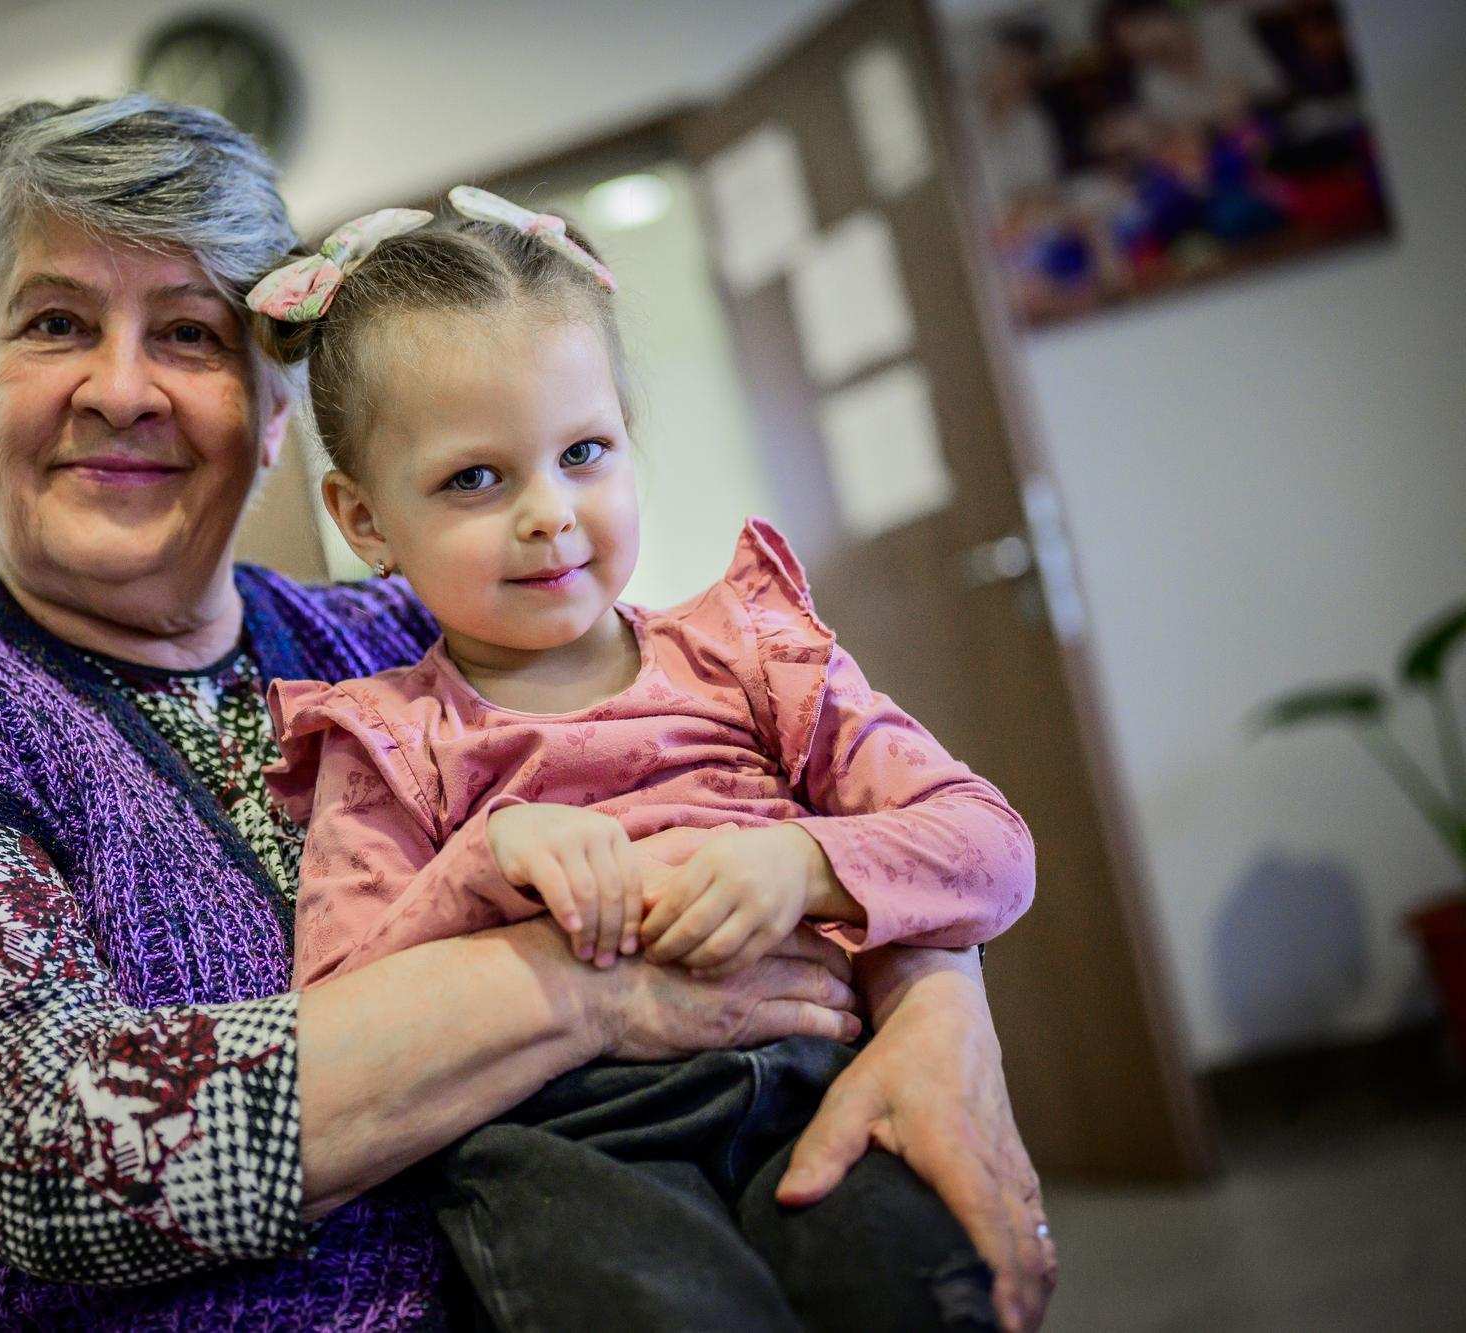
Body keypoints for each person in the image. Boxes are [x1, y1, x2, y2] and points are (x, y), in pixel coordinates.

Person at [0, 92, 1057, 1330]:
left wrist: (934, 1003)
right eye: (53, 324)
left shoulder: (409, 628)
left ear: (273, 417)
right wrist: (590, 991)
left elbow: (792, 793)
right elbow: (59, 1158)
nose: (123, 388)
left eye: (189, 333)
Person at [249, 190, 1033, 1328]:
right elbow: (338, 1014)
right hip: (572, 1145)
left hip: (817, 1077)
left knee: (928, 1290)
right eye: (474, 478)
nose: (548, 513)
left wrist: (806, 864)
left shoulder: (753, 657)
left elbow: (990, 849)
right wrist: (486, 858)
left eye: (583, 452)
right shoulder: (384, 742)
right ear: (364, 519)